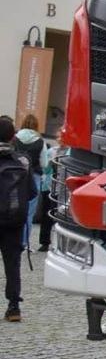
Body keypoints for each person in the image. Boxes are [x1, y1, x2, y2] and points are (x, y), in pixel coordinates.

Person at [0, 117, 34, 322]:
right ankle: (14, 307)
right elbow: (32, 192)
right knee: (12, 264)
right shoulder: (23, 160)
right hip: (14, 220)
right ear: (13, 136)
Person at [13, 115, 43, 252]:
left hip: (15, 176)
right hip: (34, 176)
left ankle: (11, 240)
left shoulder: (15, 138)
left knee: (13, 209)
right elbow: (44, 162)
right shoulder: (40, 141)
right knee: (29, 213)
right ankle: (24, 243)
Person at [34, 138, 54, 252]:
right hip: (49, 186)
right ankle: (45, 242)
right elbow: (45, 169)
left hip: (63, 188)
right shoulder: (52, 151)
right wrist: (50, 164)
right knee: (46, 215)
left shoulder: (71, 152)